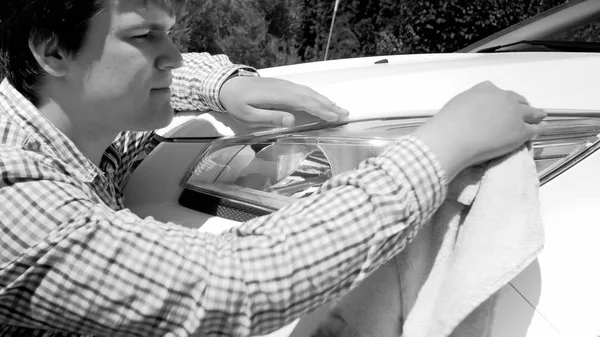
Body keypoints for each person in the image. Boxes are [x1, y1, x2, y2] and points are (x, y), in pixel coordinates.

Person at [0, 0, 546, 336]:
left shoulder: (83, 133)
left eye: (172, 32)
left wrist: (227, 86)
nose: (173, 56)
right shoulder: (12, 188)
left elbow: (174, 83)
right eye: (145, 37)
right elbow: (229, 285)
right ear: (52, 51)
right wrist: (444, 145)